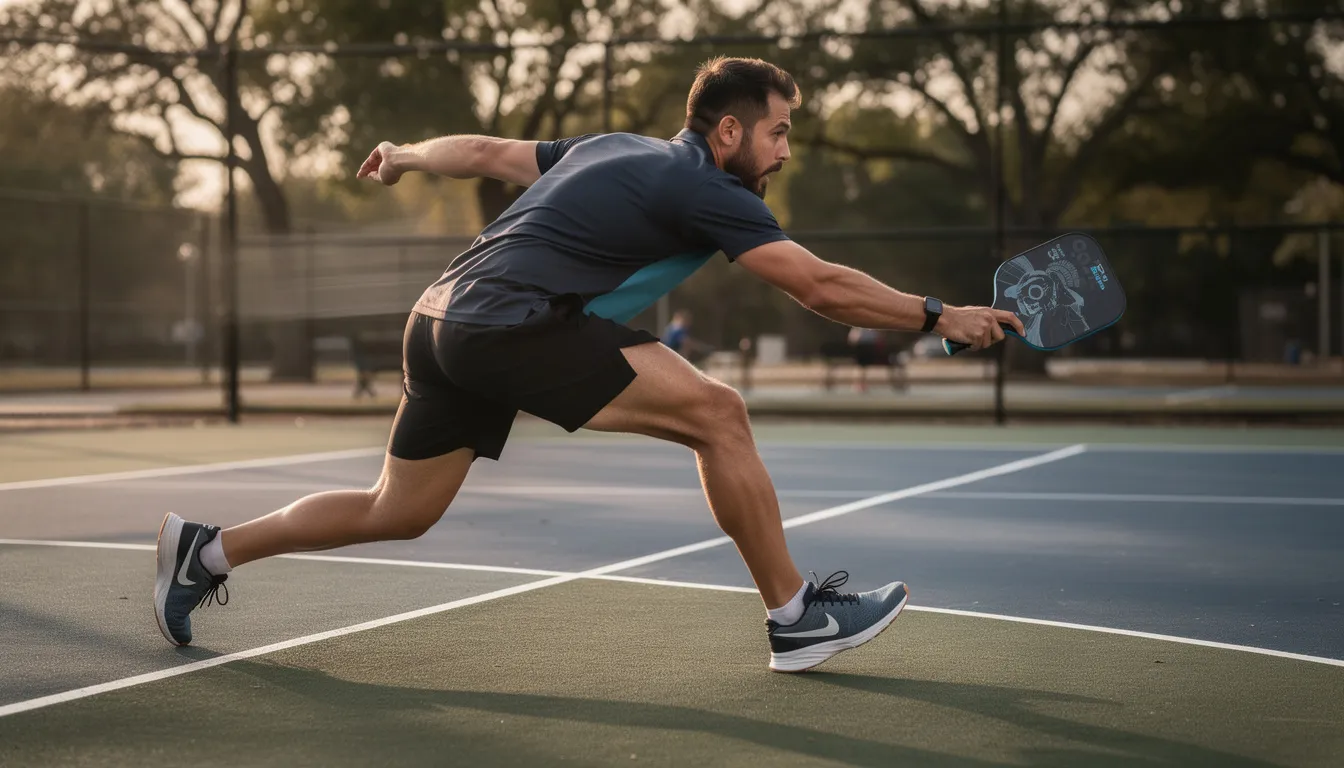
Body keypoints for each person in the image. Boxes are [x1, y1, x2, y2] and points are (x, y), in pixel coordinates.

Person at [154, 56, 1023, 673]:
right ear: (729, 131)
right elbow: (818, 286)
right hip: (504, 322)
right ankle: (797, 620)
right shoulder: (705, 188)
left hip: (437, 315)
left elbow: (492, 154)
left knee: (399, 509)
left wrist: (410, 154)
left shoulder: (615, 147)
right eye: (778, 132)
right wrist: (940, 314)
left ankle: (207, 554)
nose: (785, 151)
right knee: (718, 413)